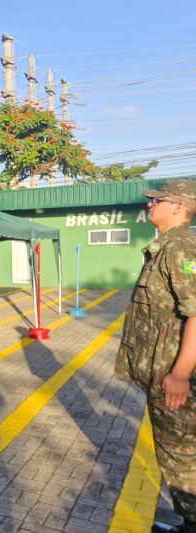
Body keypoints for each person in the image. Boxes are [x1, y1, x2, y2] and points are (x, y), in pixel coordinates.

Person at [115, 179, 196, 533]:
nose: (150, 204)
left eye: (157, 200)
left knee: (181, 460)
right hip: (164, 375)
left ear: (178, 206)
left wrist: (179, 375)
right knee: (179, 456)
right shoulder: (167, 247)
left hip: (174, 381)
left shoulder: (180, 248)